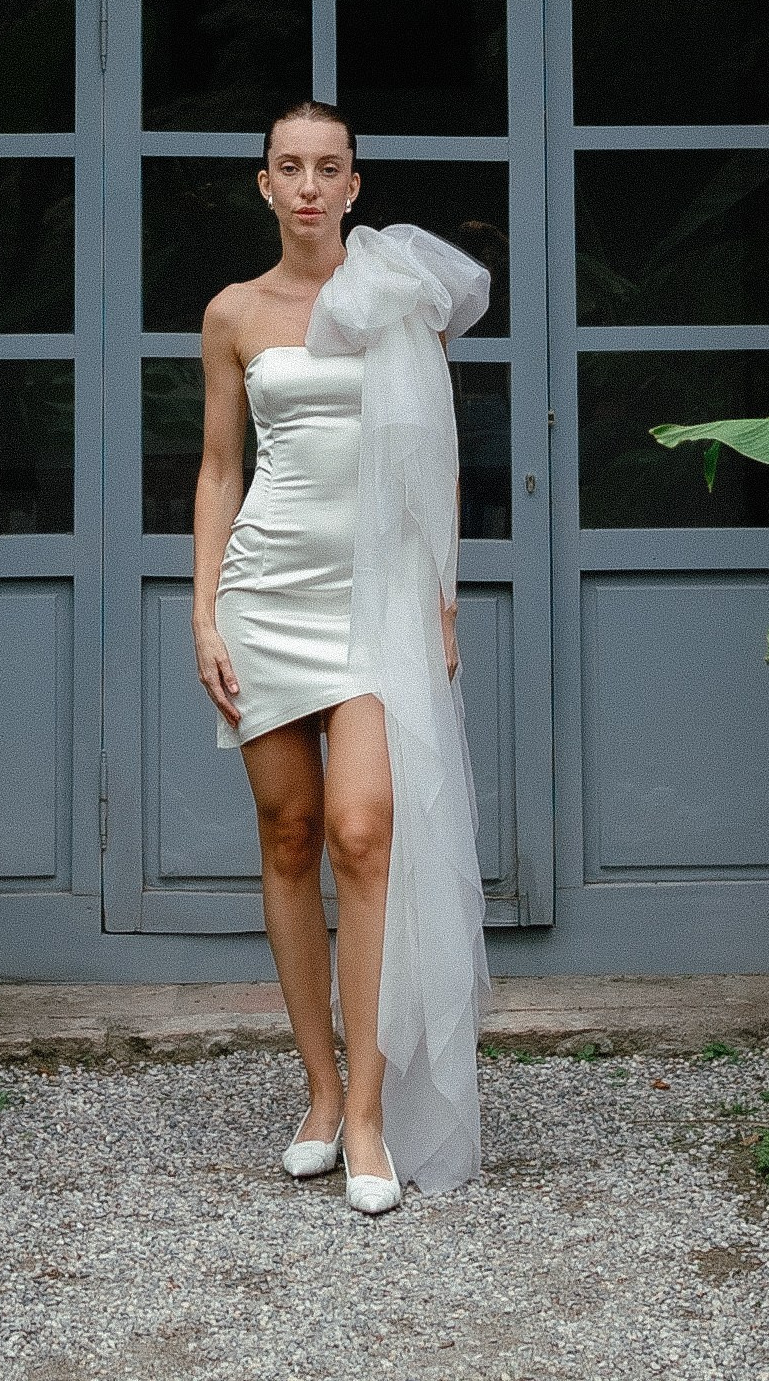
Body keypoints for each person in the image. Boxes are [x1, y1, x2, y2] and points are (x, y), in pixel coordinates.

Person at [192, 98, 491, 1214]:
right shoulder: (232, 313)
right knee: (289, 835)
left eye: (329, 168)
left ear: (355, 184)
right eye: (290, 167)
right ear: (264, 183)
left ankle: (369, 1113)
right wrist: (205, 615)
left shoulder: (396, 298)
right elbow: (220, 469)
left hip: (378, 605)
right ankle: (318, 1092)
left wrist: (442, 602)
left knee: (363, 833)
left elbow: (436, 457)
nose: (309, 186)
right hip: (266, 596)